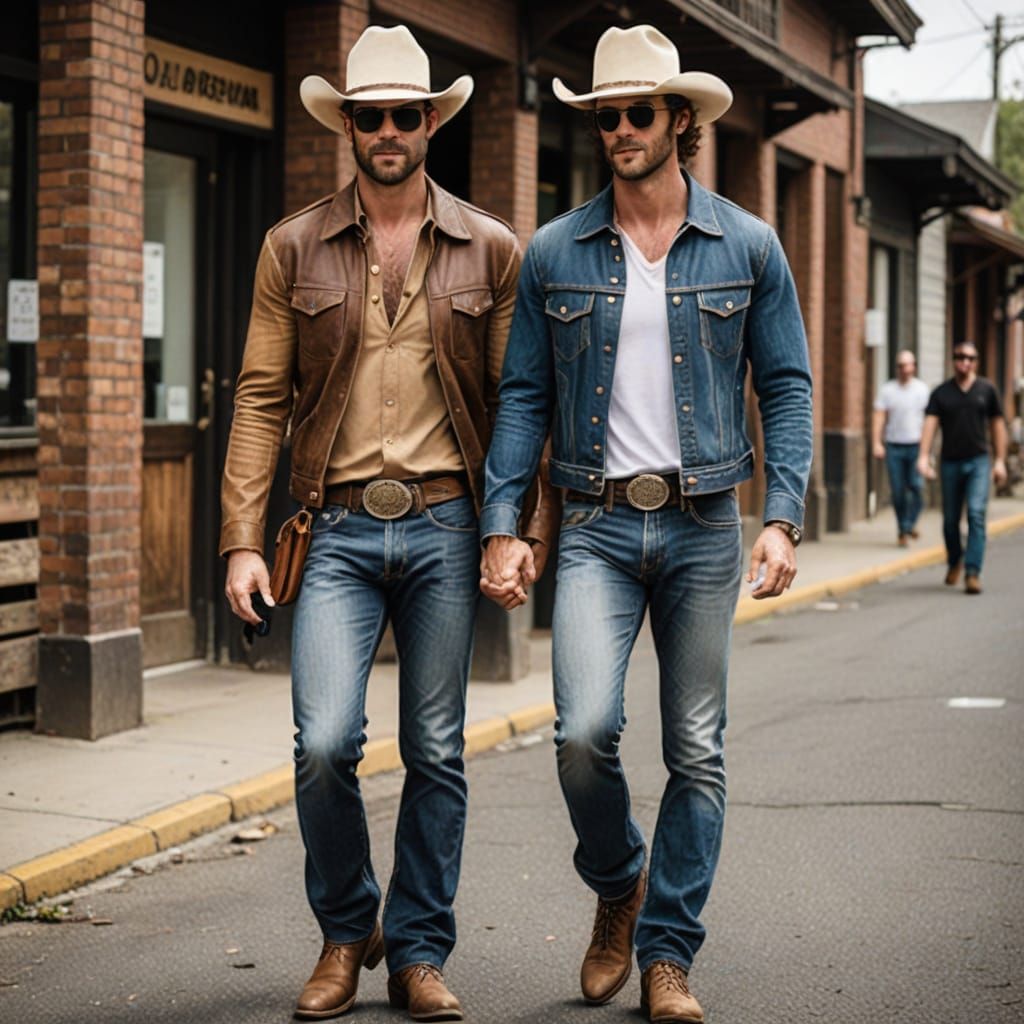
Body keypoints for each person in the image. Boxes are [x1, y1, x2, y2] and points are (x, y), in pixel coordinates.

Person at [479, 24, 813, 1024]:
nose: (618, 129)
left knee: (697, 749)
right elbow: (524, 395)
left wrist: (783, 516)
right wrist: (504, 523)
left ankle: (668, 954)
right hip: (594, 524)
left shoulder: (747, 245)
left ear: (680, 120)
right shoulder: (554, 250)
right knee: (582, 732)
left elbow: (787, 385)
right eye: (604, 116)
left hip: (707, 525)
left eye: (636, 112)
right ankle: (620, 879)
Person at [220, 25, 553, 1021]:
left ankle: (417, 950)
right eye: (371, 117)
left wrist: (514, 527)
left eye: (406, 114)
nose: (389, 131)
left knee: (435, 748)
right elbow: (259, 396)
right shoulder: (292, 246)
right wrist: (242, 538)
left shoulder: (492, 247)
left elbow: (519, 402)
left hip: (448, 525)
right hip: (334, 530)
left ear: (432, 122)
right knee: (323, 741)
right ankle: (344, 928)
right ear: (349, 127)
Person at [917, 341, 1008, 595]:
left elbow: (997, 425)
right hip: (950, 462)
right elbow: (930, 424)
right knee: (950, 520)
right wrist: (923, 456)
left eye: (970, 358)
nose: (964, 362)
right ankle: (955, 559)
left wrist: (1000, 460)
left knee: (976, 514)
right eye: (959, 357)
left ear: (976, 362)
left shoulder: (987, 390)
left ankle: (972, 572)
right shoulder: (941, 393)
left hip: (979, 460)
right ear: (953, 361)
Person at [872, 350, 930, 545]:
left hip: (916, 446)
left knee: (916, 488)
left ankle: (907, 525)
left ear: (914, 366)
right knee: (897, 491)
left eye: (908, 365)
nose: (905, 369)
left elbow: (929, 421)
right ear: (896, 368)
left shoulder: (922, 390)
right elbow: (879, 416)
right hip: (894, 446)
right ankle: (904, 530)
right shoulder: (888, 390)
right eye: (901, 365)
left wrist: (926, 451)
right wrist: (877, 443)